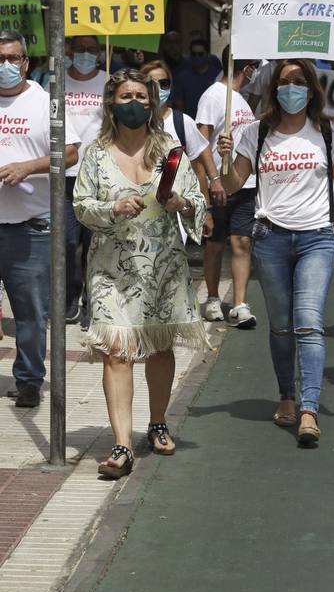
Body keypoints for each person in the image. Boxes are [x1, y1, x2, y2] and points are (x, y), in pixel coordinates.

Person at [217, 59, 334, 445]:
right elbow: (233, 182)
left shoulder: (324, 132)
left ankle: (309, 409)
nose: (292, 87)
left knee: (308, 321)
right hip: (269, 237)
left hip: (316, 239)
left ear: (311, 88)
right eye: (285, 81)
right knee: (281, 325)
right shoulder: (254, 133)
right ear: (274, 88)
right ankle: (286, 396)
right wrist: (223, 159)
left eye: (299, 81)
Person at [73, 69, 207, 478]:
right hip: (111, 268)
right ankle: (121, 445)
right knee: (117, 350)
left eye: (141, 96)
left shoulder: (170, 149)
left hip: (162, 265)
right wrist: (111, 208)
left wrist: (180, 202)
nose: (134, 102)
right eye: (125, 95)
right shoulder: (95, 153)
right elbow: (80, 205)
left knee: (159, 347)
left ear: (152, 104)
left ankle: (158, 421)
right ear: (111, 104)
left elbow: (197, 202)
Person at [0, 31, 79, 408]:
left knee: (30, 311)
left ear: (26, 62)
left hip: (32, 228)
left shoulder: (46, 102)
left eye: (13, 58)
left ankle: (29, 380)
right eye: (0, 59)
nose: (6, 66)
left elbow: (71, 152)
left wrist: (27, 167)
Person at [196, 47, 258, 327]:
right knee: (216, 244)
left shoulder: (241, 101)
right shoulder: (212, 95)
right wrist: (212, 182)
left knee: (242, 242)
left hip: (244, 184)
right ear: (247, 69)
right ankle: (212, 298)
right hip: (218, 184)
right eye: (255, 67)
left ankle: (240, 303)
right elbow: (200, 144)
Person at [61, 35, 107, 328]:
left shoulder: (109, 81)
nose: (86, 54)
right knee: (66, 243)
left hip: (98, 178)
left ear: (101, 53)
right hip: (64, 179)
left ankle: (93, 304)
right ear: (69, 50)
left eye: (92, 50)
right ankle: (69, 299)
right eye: (80, 49)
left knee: (95, 246)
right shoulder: (55, 83)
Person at [141, 59, 213, 240]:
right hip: (138, 210)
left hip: (174, 215)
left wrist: (206, 211)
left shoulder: (183, 123)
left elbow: (198, 170)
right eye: (151, 84)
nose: (158, 89)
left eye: (163, 83)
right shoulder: (129, 125)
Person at [174, 37, 222, 117]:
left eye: (200, 54)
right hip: (190, 123)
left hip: (214, 121)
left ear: (207, 54)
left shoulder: (218, 75)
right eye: (194, 54)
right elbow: (179, 104)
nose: (197, 57)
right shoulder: (182, 77)